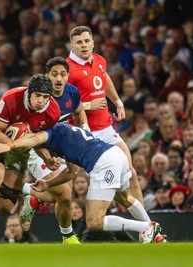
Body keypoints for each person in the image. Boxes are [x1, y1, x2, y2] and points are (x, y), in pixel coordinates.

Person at [0, 123, 166, 243]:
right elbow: (72, 172)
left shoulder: (50, 132)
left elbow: (34, 140)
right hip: (115, 155)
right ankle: (155, 233)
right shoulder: (67, 133)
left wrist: (10, 145)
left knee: (95, 222)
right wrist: (48, 185)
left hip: (103, 164)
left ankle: (145, 227)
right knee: (126, 198)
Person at [0, 73, 61, 243]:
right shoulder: (11, 98)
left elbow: (37, 140)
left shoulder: (53, 112)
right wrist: (13, 144)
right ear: (30, 92)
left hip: (20, 147)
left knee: (5, 207)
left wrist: (47, 158)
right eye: (37, 95)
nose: (41, 101)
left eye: (45, 97)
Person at [66, 26, 144, 207]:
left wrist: (117, 102)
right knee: (69, 179)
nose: (84, 45)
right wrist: (87, 106)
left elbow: (104, 77)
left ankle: (148, 226)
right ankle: (59, 221)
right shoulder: (66, 70)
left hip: (106, 129)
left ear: (93, 42)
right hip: (81, 134)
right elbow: (61, 106)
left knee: (130, 172)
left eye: (87, 41)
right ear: (72, 45)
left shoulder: (100, 60)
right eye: (79, 42)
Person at [17, 57, 89, 244]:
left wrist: (85, 128)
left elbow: (79, 111)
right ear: (47, 75)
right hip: (38, 147)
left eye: (62, 74)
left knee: (65, 198)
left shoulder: (72, 92)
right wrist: (48, 157)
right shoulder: (39, 99)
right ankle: (25, 191)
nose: (58, 79)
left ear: (68, 76)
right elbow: (33, 135)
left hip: (61, 145)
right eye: (54, 74)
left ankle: (66, 235)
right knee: (63, 192)